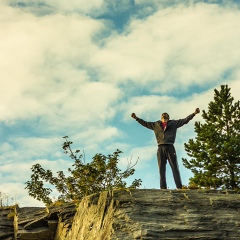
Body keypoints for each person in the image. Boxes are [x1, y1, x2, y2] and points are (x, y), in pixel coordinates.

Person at [131, 108, 200, 189]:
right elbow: (145, 123)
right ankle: (163, 188)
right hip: (160, 147)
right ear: (161, 117)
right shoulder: (156, 125)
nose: (164, 115)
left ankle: (179, 187)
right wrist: (136, 118)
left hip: (170, 146)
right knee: (161, 169)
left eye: (165, 114)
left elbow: (185, 120)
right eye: (163, 114)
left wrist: (194, 113)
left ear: (168, 117)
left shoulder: (174, 123)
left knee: (174, 167)